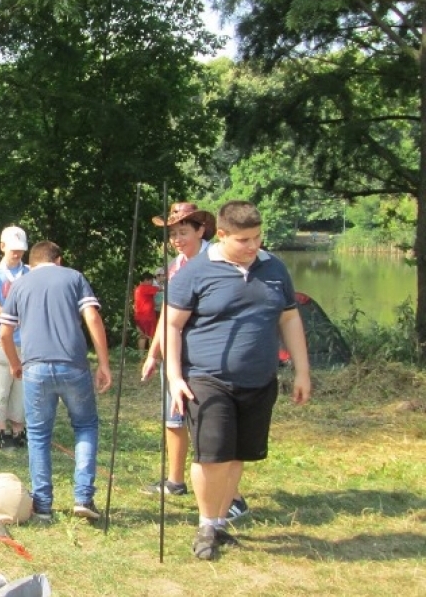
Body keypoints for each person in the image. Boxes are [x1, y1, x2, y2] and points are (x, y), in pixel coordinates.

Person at [162, 200, 311, 560]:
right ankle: (205, 526)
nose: (252, 246)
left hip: (259, 379)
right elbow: (171, 325)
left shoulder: (274, 268)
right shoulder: (195, 272)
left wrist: (302, 371)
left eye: (257, 238)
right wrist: (174, 376)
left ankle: (219, 523)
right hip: (206, 377)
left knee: (236, 455)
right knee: (212, 454)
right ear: (222, 235)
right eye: (244, 240)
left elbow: (289, 319)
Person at [139, 202, 253, 516]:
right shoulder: (175, 267)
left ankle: (232, 498)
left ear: (201, 230)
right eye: (172, 233)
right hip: (177, 355)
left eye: (183, 232)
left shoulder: (218, 261)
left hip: (208, 358)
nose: (176, 239)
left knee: (213, 426)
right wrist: (153, 354)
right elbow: (168, 316)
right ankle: (175, 481)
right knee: (173, 418)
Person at [0, 241, 112, 523]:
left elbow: (4, 333)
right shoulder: (74, 277)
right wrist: (104, 364)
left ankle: (43, 504)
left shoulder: (20, 285)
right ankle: (83, 497)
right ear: (58, 260)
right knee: (85, 426)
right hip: (73, 364)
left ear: (32, 263)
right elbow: (92, 318)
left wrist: (15, 364)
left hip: (35, 367)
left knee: (38, 434)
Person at [0, 226, 30, 449]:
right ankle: (2, 432)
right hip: (3, 338)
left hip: (27, 341)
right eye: (13, 249)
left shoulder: (30, 272)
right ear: (2, 247)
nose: (17, 254)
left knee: (22, 388)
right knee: (0, 386)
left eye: (21, 249)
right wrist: (15, 316)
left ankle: (19, 431)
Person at [133, 272, 160, 350]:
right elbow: (159, 289)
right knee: (152, 336)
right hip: (147, 316)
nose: (152, 283)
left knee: (142, 336)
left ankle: (141, 355)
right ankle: (153, 355)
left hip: (139, 316)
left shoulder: (138, 288)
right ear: (146, 280)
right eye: (151, 280)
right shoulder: (146, 288)